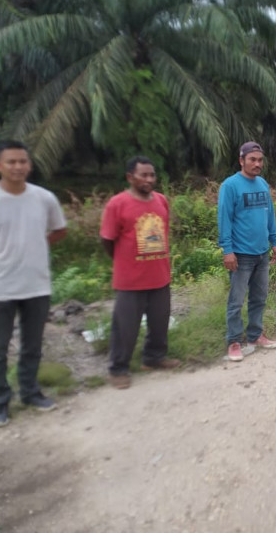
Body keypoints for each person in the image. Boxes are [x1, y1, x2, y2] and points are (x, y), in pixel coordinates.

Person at [0, 140, 67, 428]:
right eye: (11, 162)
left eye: (23, 162)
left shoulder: (44, 198)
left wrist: (36, 246)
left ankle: (30, 393)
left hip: (37, 286)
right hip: (0, 288)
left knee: (32, 347)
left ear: (29, 165)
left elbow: (60, 230)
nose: (18, 167)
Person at [100, 156, 180, 389]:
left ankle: (154, 357)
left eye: (152, 175)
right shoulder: (118, 204)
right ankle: (118, 368)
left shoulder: (161, 201)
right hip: (130, 280)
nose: (149, 179)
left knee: (159, 321)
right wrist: (123, 260)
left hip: (159, 275)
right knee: (125, 327)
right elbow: (107, 239)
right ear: (130, 177)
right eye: (143, 175)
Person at [217, 141, 276, 361]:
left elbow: (269, 215)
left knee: (259, 297)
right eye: (252, 159)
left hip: (262, 253)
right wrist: (227, 250)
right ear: (241, 160)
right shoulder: (230, 186)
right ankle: (234, 341)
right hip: (241, 255)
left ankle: (255, 336)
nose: (257, 164)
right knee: (236, 300)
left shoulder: (263, 184)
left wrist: (274, 241)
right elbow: (224, 219)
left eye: (260, 160)